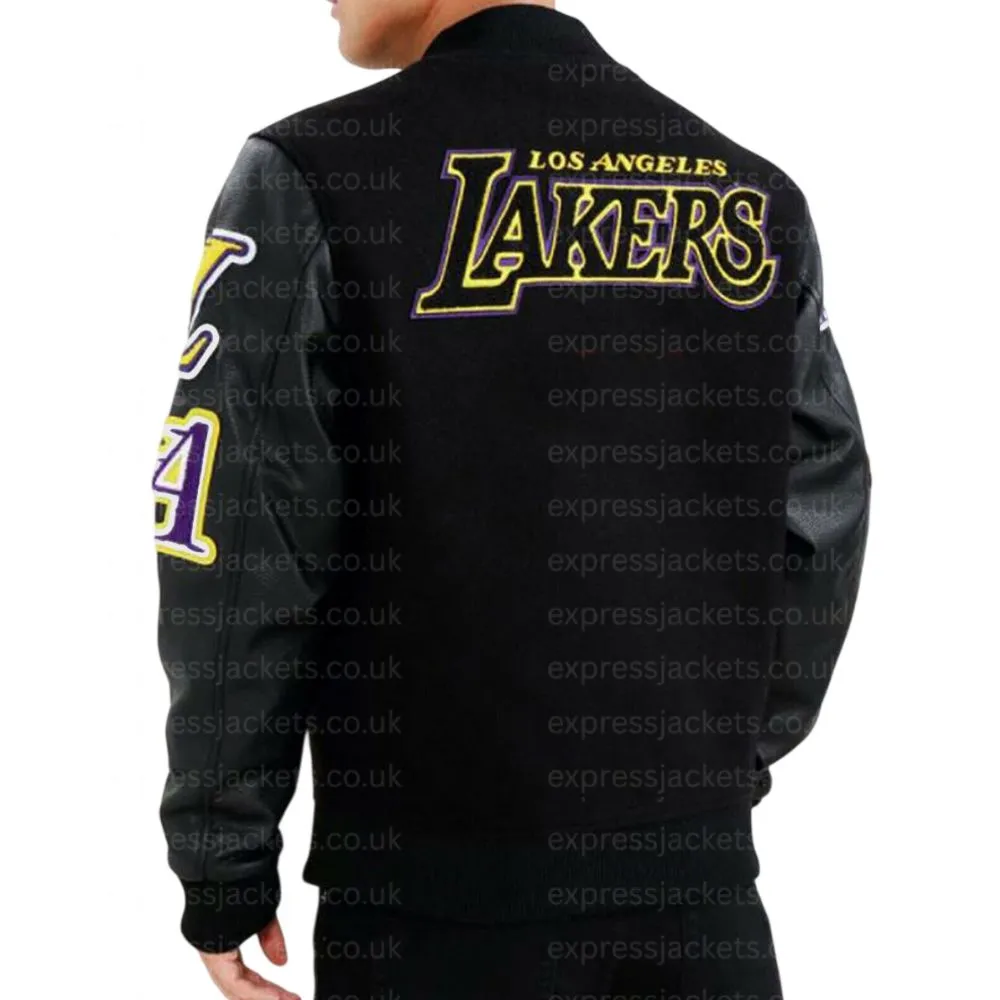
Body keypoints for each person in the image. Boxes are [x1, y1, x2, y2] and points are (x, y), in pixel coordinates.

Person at [153, 2, 871, 998]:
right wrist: (707, 769)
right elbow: (822, 508)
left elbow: (242, 538)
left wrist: (222, 855)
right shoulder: (749, 194)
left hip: (436, 910)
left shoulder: (314, 175)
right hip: (703, 906)